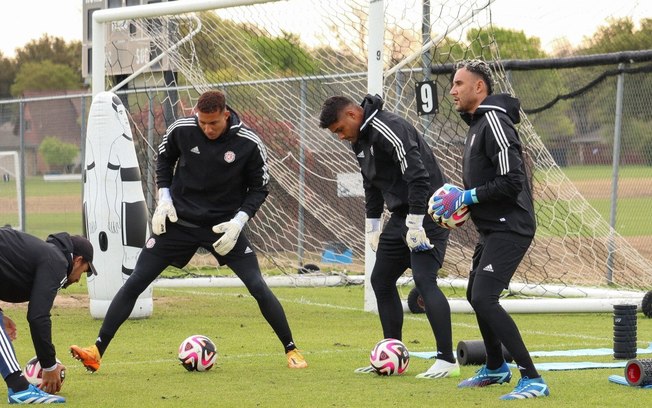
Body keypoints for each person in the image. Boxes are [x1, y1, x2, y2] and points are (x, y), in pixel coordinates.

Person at [70, 90, 307, 372]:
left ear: (225, 115)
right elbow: (163, 161)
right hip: (178, 224)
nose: (207, 129)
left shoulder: (249, 144)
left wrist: (239, 222)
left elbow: (260, 188)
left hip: (223, 228)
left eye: (213, 123)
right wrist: (164, 198)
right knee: (135, 281)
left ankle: (291, 349)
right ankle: (96, 351)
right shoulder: (181, 130)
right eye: (202, 122)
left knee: (257, 285)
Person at [431, 59, 549, 400]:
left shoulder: (495, 121)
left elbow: (513, 181)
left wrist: (469, 195)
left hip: (511, 226)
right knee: (474, 294)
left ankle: (533, 378)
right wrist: (468, 203)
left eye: (458, 84)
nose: (452, 90)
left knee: (485, 296)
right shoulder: (477, 124)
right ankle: (496, 367)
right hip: (491, 227)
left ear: (479, 87)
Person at [319, 94, 459, 379]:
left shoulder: (390, 128)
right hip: (399, 216)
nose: (340, 137)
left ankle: (447, 360)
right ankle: (392, 354)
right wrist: (373, 225)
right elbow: (371, 183)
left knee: (423, 280)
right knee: (380, 279)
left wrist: (417, 223)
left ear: (352, 115)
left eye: (339, 130)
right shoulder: (358, 140)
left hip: (428, 211)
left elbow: (418, 176)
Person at [0, 228, 96, 404]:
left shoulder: (47, 255)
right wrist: (49, 365)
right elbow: (38, 316)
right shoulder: (57, 262)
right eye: (84, 271)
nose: (78, 280)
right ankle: (19, 388)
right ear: (78, 260)